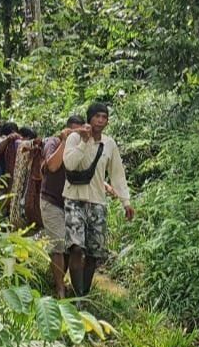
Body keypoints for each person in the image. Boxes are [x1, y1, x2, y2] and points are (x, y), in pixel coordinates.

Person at [62, 103, 134, 297]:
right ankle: (76, 297)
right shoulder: (74, 138)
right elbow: (69, 163)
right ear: (89, 119)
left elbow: (117, 174)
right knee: (76, 248)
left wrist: (126, 201)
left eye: (104, 117)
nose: (101, 121)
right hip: (74, 198)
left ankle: (84, 294)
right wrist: (84, 142)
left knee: (94, 254)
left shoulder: (109, 144)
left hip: (98, 202)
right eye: (97, 117)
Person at [42, 116, 87, 298]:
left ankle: (58, 278)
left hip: (71, 202)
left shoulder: (82, 146)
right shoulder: (54, 142)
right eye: (73, 132)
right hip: (51, 200)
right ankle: (60, 289)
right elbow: (52, 166)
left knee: (70, 246)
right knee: (59, 244)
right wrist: (64, 141)